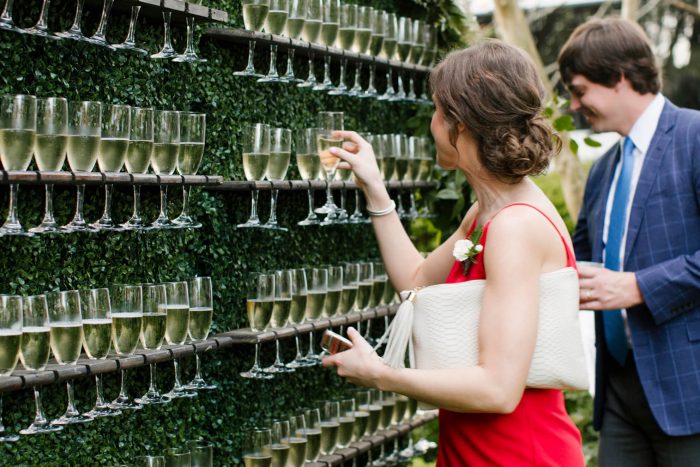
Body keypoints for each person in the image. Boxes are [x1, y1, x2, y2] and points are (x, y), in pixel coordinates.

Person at [322, 40, 585, 466]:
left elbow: (499, 390)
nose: (432, 123)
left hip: (518, 455)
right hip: (471, 452)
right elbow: (415, 280)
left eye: (436, 109)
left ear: (459, 123)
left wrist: (383, 375)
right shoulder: (487, 212)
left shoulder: (515, 228)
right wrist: (375, 189)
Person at [558, 17, 700, 466]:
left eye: (579, 90)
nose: (575, 106)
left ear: (619, 76)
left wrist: (638, 286)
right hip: (619, 392)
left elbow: (630, 280)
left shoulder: (696, 137)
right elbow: (574, 258)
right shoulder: (605, 168)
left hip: (689, 391)